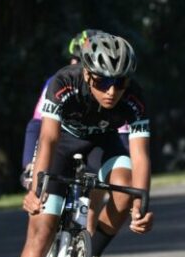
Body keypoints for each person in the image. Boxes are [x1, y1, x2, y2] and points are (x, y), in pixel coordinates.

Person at [3, 31, 155, 257]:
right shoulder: (64, 82)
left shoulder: (135, 98)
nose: (112, 91)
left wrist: (140, 206)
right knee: (42, 229)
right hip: (62, 145)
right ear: (87, 74)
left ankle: (92, 255)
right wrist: (36, 189)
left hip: (104, 145)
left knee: (125, 187)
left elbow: (140, 155)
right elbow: (48, 137)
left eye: (120, 82)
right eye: (103, 82)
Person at [20, 30, 131, 190]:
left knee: (102, 183)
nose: (76, 64)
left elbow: (122, 133)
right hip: (64, 140)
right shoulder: (58, 82)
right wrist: (29, 164)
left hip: (99, 143)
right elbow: (37, 123)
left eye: (82, 60)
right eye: (76, 58)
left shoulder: (111, 88)